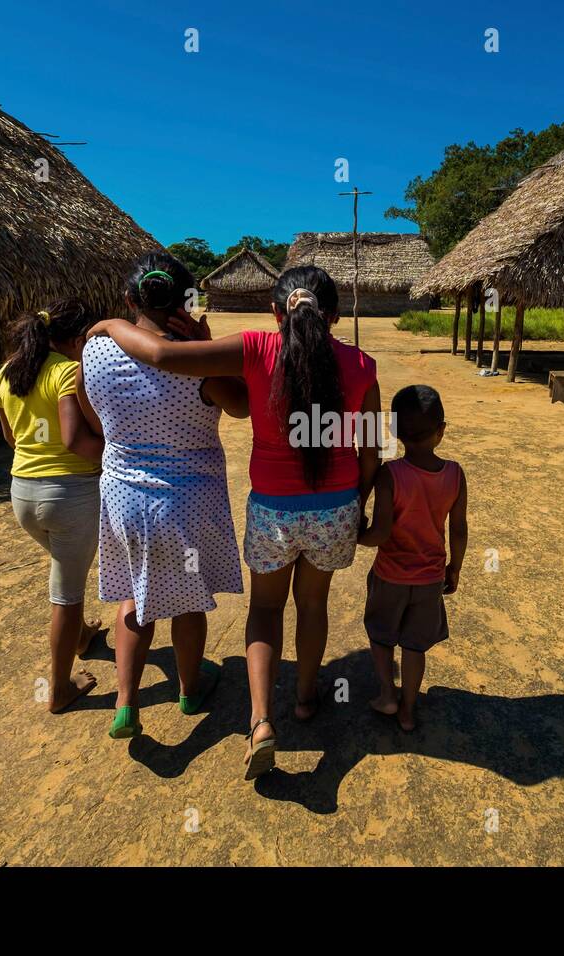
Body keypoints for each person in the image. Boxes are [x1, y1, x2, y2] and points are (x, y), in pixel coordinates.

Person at [88, 265, 380, 778]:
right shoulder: (362, 365)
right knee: (313, 605)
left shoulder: (255, 349)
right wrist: (360, 503)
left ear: (274, 312)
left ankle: (262, 722)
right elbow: (372, 450)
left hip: (274, 510)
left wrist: (112, 325)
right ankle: (308, 699)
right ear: (333, 315)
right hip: (335, 506)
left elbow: (159, 354)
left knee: (266, 611)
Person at [80, 252, 248, 740]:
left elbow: (96, 415)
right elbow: (241, 407)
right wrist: (209, 345)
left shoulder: (95, 349)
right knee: (189, 601)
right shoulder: (198, 360)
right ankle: (191, 689)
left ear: (131, 299)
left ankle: (127, 704)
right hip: (187, 501)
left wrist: (111, 323)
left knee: (135, 596)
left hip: (122, 495)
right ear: (186, 302)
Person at [0, 297, 107, 714]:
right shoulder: (67, 373)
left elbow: (11, 437)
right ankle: (59, 688)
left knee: (66, 573)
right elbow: (75, 440)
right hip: (68, 495)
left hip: (23, 493)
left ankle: (80, 635)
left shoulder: (8, 371)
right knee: (66, 594)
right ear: (78, 340)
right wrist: (118, 455)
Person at [358, 384, 467, 732]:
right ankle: (407, 709)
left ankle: (387, 693)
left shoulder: (390, 475)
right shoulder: (455, 474)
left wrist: (356, 537)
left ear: (394, 431)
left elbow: (381, 533)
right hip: (430, 579)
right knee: (415, 646)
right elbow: (459, 529)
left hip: (390, 576)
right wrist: (455, 568)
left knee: (380, 635)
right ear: (441, 430)